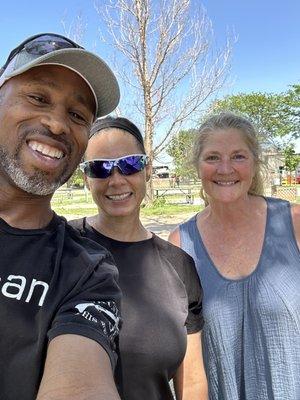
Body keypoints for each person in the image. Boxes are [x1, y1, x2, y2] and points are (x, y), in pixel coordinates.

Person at [0, 33, 122, 400]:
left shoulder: (88, 272)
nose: (56, 125)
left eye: (77, 114)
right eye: (38, 97)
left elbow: (81, 385)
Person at [69, 116, 208, 400]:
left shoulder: (179, 265)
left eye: (130, 164)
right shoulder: (61, 245)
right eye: (100, 168)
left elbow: (192, 384)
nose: (116, 180)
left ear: (147, 170)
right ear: (86, 178)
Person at [169, 112, 300, 400]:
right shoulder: (181, 243)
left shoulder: (294, 222)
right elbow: (187, 359)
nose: (225, 168)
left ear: (255, 164)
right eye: (213, 157)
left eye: (238, 156)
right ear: (198, 166)